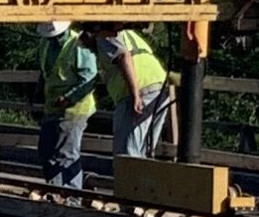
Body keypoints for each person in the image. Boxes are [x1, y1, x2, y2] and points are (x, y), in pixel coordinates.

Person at [37, 19, 99, 195]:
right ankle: (55, 191)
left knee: (66, 153)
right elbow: (45, 73)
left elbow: (89, 77)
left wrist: (69, 98)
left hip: (74, 108)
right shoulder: (45, 45)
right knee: (47, 151)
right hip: (53, 107)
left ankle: (71, 196)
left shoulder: (77, 44)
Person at [102, 23, 174, 168]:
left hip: (138, 91)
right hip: (159, 88)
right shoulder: (128, 33)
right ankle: (143, 186)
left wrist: (135, 95)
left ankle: (129, 187)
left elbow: (123, 56)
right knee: (145, 150)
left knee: (127, 153)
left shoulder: (105, 32)